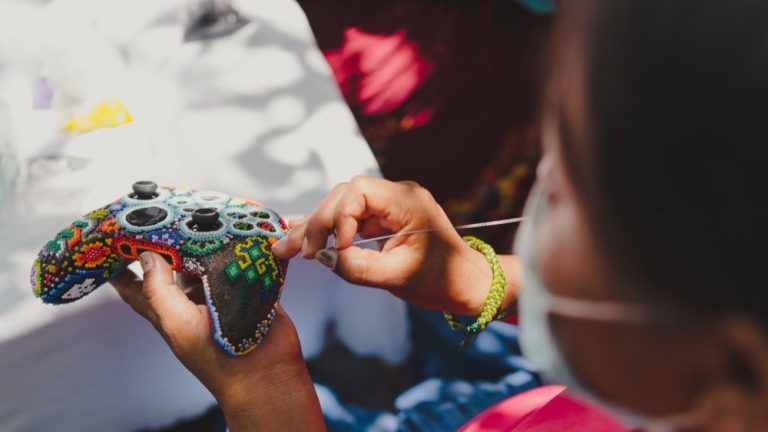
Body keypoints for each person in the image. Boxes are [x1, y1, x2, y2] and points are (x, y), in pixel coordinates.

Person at [112, 1, 768, 430]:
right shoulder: (687, 357)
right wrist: (476, 280)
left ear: (731, 366)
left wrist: (264, 394)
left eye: (566, 196)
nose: (533, 200)